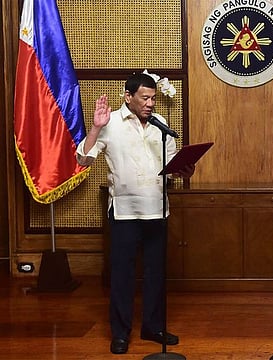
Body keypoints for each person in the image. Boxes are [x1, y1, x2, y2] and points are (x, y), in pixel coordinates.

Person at [76, 72, 194, 355]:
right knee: (122, 275)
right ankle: (120, 333)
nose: (150, 103)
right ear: (128, 97)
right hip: (125, 212)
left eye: (153, 98)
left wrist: (184, 169)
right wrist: (94, 128)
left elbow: (170, 165)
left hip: (157, 209)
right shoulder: (110, 123)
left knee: (156, 273)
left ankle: (153, 327)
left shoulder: (161, 124)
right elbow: (82, 158)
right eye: (145, 98)